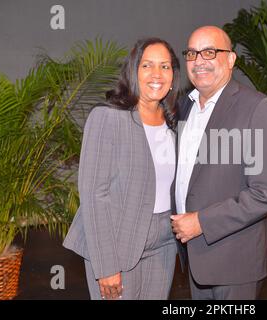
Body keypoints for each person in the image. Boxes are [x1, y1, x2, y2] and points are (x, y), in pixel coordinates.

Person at [171, 26, 267, 300]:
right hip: (196, 255)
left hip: (235, 260)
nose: (199, 60)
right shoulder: (185, 107)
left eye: (209, 52)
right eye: (192, 53)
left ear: (231, 59)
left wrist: (202, 221)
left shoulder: (257, 108)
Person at [63, 38, 180, 300]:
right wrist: (106, 266)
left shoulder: (173, 121)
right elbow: (95, 195)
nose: (156, 74)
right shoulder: (108, 117)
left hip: (164, 241)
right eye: (147, 65)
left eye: (165, 66)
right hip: (117, 241)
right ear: (133, 71)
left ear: (173, 75)